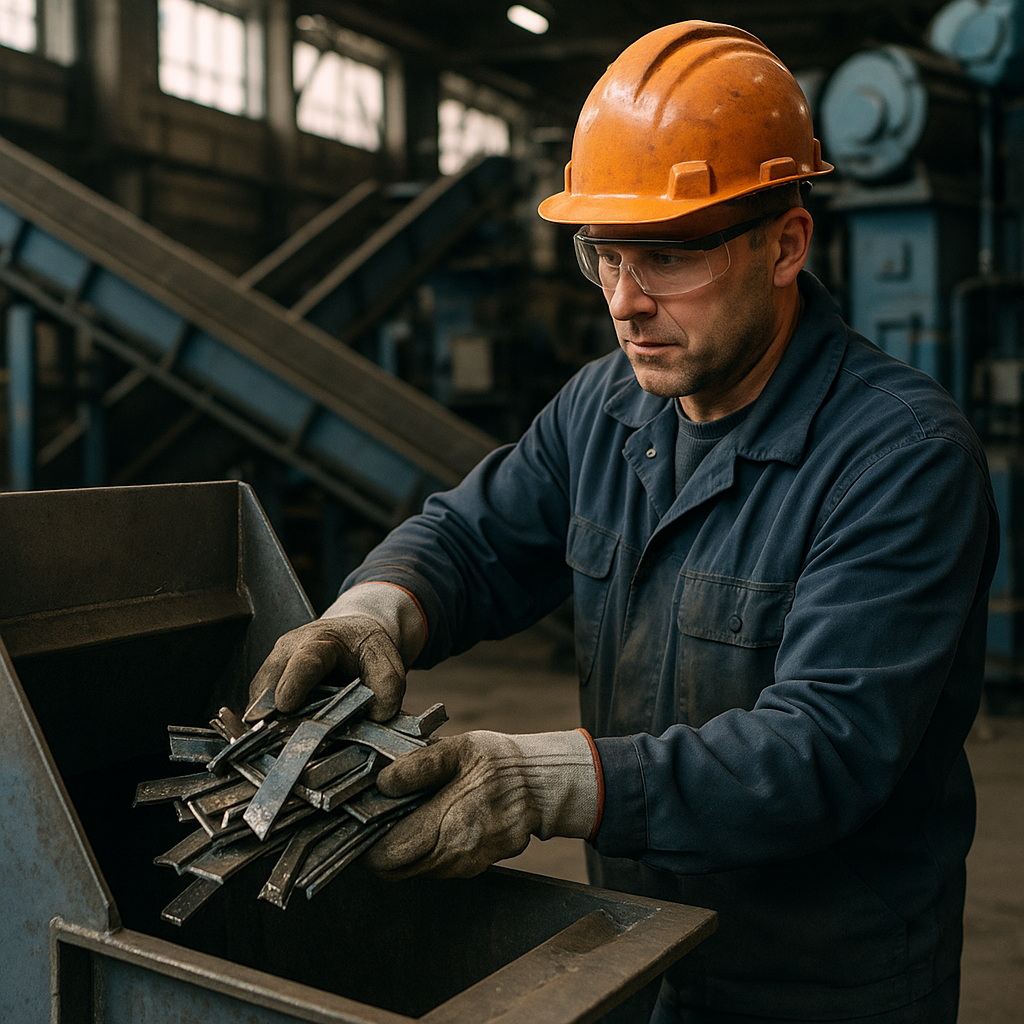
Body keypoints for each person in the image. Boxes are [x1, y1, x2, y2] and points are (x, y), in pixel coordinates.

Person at [248, 21, 998, 1024]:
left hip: (820, 980)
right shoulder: (605, 407)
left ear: (786, 243)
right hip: (632, 947)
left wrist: (539, 780)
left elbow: (821, 749)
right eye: (601, 254)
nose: (625, 302)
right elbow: (475, 538)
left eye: (668, 258)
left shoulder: (899, 457)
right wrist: (374, 611)